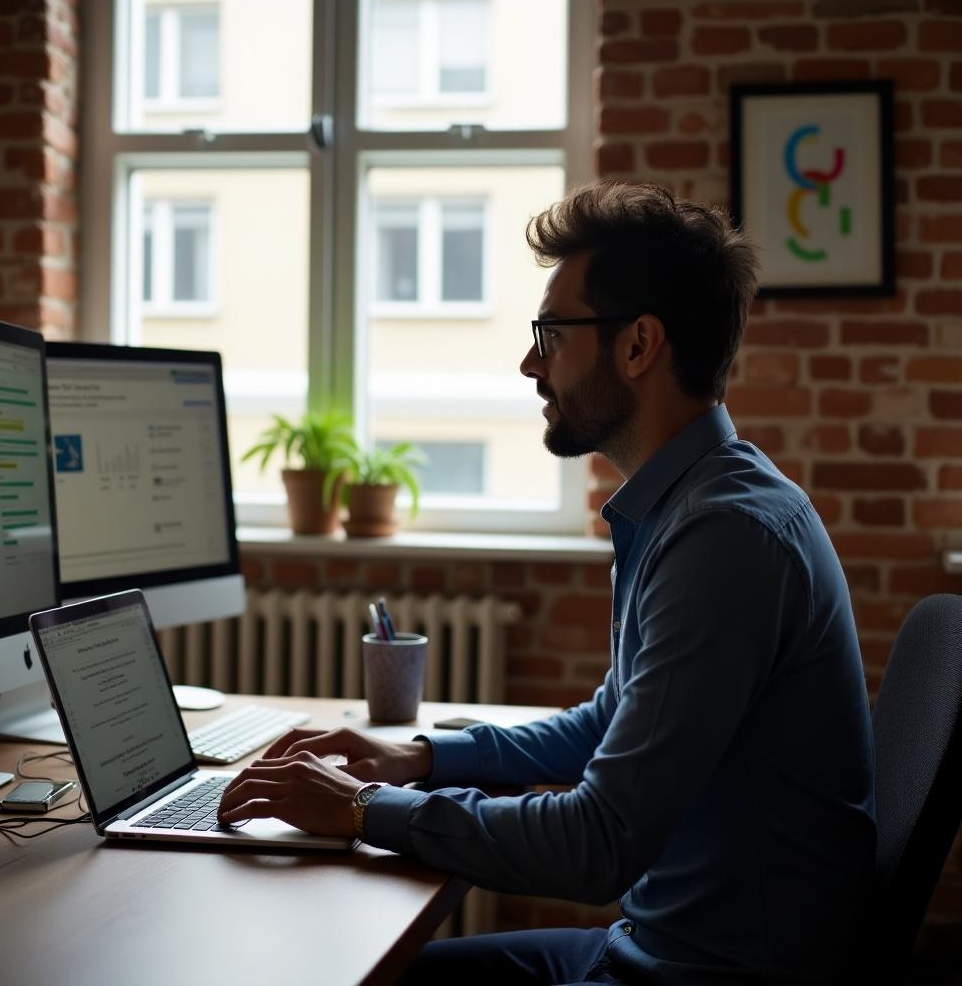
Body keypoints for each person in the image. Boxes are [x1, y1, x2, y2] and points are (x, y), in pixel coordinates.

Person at [217, 183, 875, 985]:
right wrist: (416, 760)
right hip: (659, 947)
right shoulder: (688, 504)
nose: (531, 361)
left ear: (638, 346)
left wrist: (360, 810)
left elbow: (599, 843)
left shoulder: (722, 537)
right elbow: (610, 720)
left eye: (552, 334)